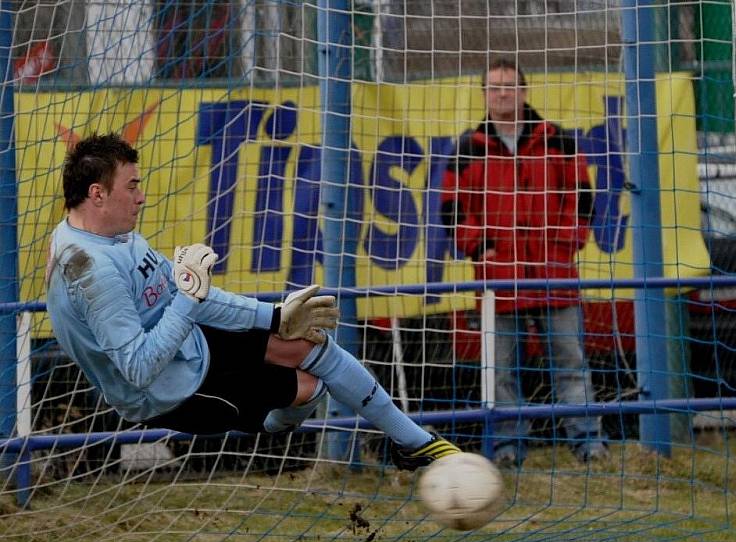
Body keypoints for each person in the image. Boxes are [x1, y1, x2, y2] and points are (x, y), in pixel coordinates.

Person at [45, 132, 460, 471]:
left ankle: (418, 444)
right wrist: (190, 299)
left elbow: (193, 297)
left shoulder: (114, 234)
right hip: (170, 390)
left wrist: (276, 317)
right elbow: (138, 368)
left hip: (190, 344)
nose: (142, 197)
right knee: (310, 390)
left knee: (310, 343)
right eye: (132, 186)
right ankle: (272, 425)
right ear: (97, 194)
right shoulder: (90, 271)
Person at [440, 57, 607, 465]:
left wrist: (567, 243)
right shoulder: (467, 147)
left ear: (524, 91)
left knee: (571, 362)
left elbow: (582, 196)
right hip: (498, 278)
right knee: (499, 370)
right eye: (494, 86)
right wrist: (480, 248)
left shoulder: (559, 140)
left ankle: (587, 442)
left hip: (555, 272)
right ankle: (507, 447)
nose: (502, 93)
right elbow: (451, 209)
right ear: (483, 94)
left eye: (509, 85)